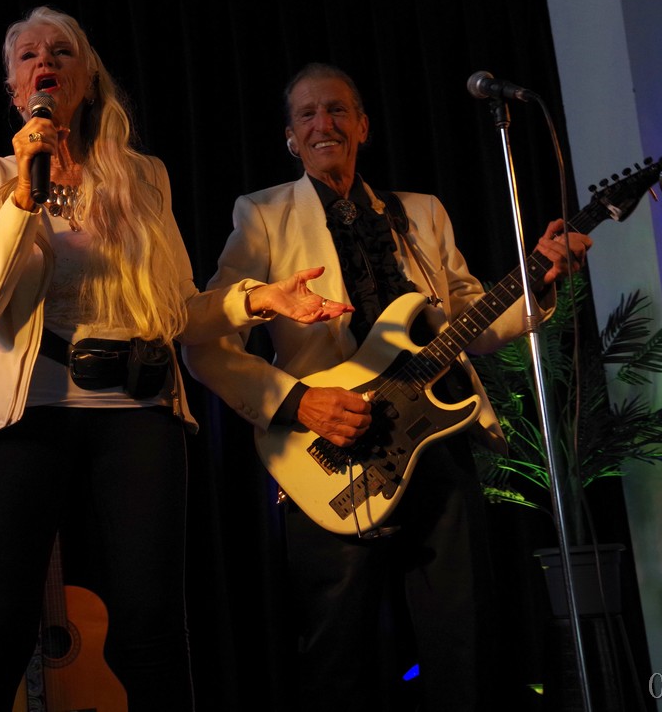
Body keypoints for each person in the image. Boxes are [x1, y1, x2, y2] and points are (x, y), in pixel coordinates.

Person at [0, 9, 352, 712]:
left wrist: (259, 299)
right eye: (29, 55)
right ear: (14, 88)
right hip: (26, 413)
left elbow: (178, 311)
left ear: (86, 78)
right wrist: (23, 199)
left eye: (62, 51)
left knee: (152, 632)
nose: (46, 62)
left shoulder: (143, 179)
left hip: (138, 412)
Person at [182, 62, 592, 711]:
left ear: (363, 125)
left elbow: (474, 321)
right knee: (339, 653)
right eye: (308, 114)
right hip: (333, 450)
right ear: (290, 137)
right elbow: (203, 338)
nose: (324, 124)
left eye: (338, 110)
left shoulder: (421, 214)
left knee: (461, 642)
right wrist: (298, 402)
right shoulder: (263, 215)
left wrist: (537, 277)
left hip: (434, 442)